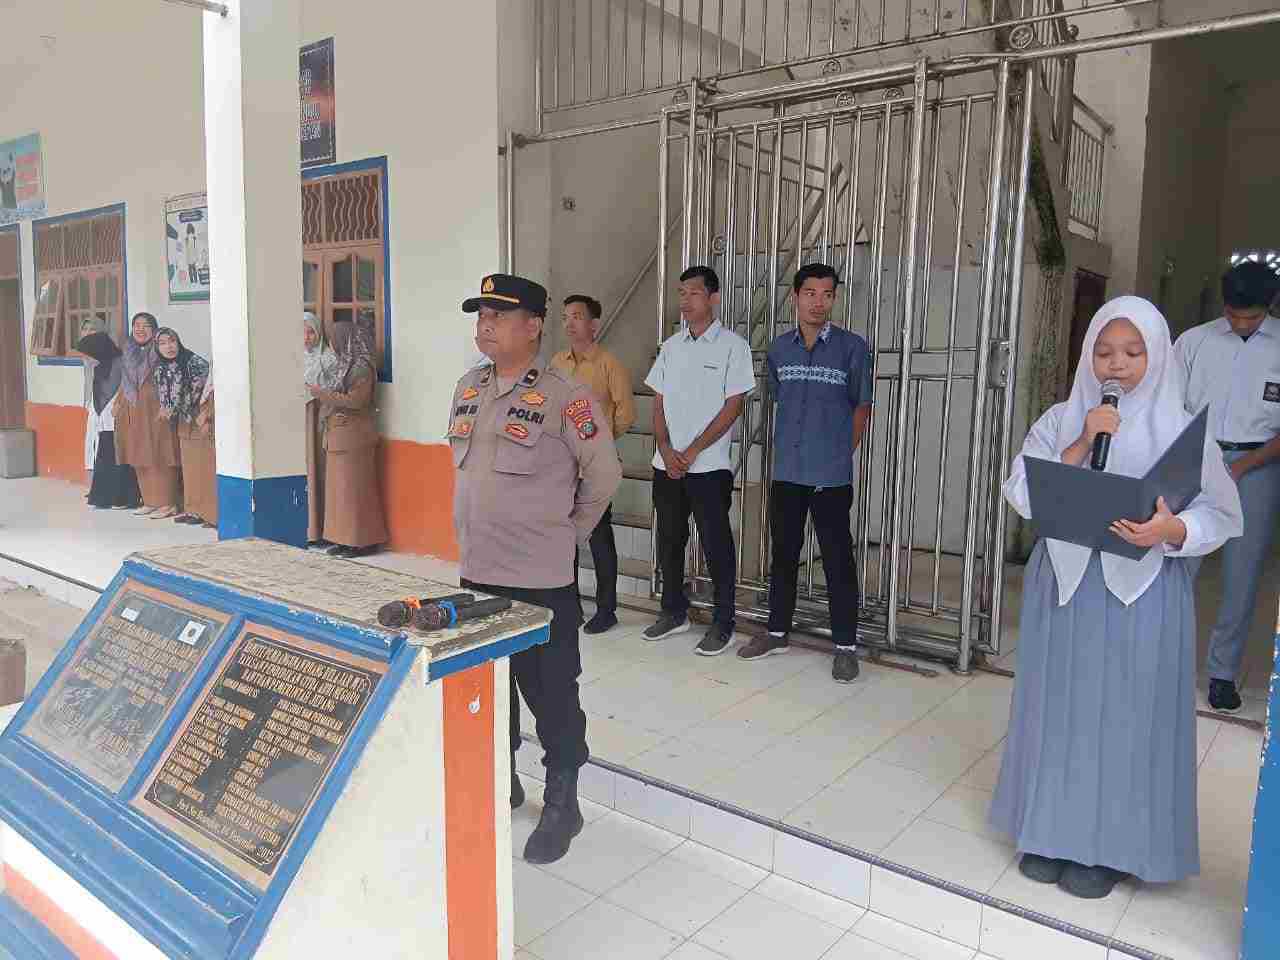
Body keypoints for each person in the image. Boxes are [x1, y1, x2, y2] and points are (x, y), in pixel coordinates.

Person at [991, 296, 1242, 900]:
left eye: (1132, 353)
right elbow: (1022, 488)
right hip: (1067, 584)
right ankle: (1048, 832)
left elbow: (1220, 511)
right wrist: (1081, 440)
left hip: (1143, 591)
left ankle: (1111, 848)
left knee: (1125, 717)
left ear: (1156, 356)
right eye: (1104, 351)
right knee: (1061, 710)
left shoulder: (1185, 428)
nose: (1117, 364)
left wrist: (1171, 530)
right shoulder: (1062, 418)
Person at [449, 273, 620, 864]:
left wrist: (567, 535)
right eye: (481, 315)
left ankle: (562, 799)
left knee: (550, 692)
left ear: (533, 325)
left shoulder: (565, 396)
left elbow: (604, 475)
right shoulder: (468, 388)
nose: (485, 325)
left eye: (498, 315)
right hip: (477, 572)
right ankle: (504, 779)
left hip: (540, 579)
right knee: (489, 688)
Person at [741, 263, 873, 682]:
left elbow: (861, 408)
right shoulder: (780, 349)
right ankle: (776, 631)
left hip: (830, 475)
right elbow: (779, 399)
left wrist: (839, 453)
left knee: (837, 559)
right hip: (788, 472)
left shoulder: (853, 348)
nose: (819, 302)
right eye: (811, 293)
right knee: (783, 553)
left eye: (827, 294)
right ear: (795, 297)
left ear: (834, 299)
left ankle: (845, 646)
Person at [1174, 260, 1280, 712]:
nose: (1240, 324)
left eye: (1251, 318)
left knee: (1242, 574)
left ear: (1269, 305)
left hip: (1259, 466)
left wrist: (1242, 468)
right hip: (1196, 460)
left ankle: (1222, 674)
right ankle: (1169, 665)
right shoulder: (1194, 342)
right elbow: (1170, 409)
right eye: (1234, 315)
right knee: (1179, 567)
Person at [642, 265, 756, 655]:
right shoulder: (671, 346)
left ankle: (724, 622)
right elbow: (657, 403)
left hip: (708, 469)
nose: (685, 301)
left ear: (713, 297)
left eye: (693, 293)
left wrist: (691, 452)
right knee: (670, 541)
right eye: (681, 293)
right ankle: (674, 611)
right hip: (667, 465)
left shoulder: (733, 346)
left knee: (715, 544)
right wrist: (667, 448)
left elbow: (733, 406)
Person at [552, 294, 636, 634]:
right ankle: (569, 604)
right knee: (564, 536)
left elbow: (626, 414)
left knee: (599, 537)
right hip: (561, 464)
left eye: (576, 316)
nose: (569, 323)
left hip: (596, 466)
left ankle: (607, 609)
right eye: (565, 317)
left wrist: (597, 446)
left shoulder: (608, 364)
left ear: (593, 325)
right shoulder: (557, 363)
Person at [307, 316, 388, 558]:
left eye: (334, 340)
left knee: (355, 493)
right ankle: (343, 539)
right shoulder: (345, 365)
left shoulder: (361, 367)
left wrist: (321, 394)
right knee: (340, 494)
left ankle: (362, 541)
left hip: (354, 437)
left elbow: (357, 400)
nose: (332, 345)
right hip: (338, 436)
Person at [114, 312, 181, 519]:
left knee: (161, 452)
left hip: (157, 409)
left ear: (154, 329)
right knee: (139, 453)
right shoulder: (129, 351)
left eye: (145, 325)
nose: (140, 329)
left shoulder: (160, 349)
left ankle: (167, 502)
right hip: (134, 409)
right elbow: (125, 382)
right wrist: (118, 401)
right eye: (136, 325)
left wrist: (168, 403)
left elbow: (173, 375)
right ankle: (150, 500)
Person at [76, 332, 141, 510]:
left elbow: (128, 388)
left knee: (120, 455)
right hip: (102, 417)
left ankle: (122, 497)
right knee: (105, 454)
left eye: (87, 354)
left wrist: (118, 405)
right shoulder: (99, 366)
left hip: (119, 415)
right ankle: (105, 496)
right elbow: (97, 393)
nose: (86, 359)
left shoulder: (122, 363)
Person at [303, 311, 342, 547]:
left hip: (317, 418)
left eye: (311, 332)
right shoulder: (291, 357)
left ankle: (319, 529)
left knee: (316, 467)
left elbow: (334, 388)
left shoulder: (328, 358)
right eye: (302, 333)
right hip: (293, 421)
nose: (306, 338)